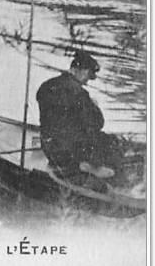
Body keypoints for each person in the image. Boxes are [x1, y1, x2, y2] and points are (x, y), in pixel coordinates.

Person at [36, 51, 123, 180]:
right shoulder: (78, 93)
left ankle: (65, 165)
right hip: (71, 149)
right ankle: (86, 167)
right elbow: (98, 123)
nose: (88, 80)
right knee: (113, 143)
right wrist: (95, 105)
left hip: (49, 145)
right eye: (88, 74)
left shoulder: (47, 85)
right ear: (78, 69)